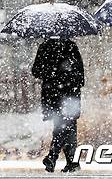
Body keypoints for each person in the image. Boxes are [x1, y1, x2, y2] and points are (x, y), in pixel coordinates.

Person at [31, 37, 84, 173]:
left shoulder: (45, 47)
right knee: (68, 127)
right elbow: (80, 76)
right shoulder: (71, 46)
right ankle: (71, 162)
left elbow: (36, 71)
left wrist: (52, 73)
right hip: (69, 95)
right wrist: (67, 77)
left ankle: (54, 157)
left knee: (61, 126)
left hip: (54, 94)